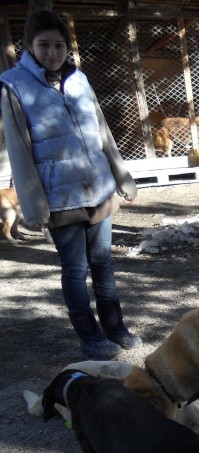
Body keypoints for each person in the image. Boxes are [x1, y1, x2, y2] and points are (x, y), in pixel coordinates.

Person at [0, 10, 140, 360]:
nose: (53, 52)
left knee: (104, 263)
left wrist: (122, 177)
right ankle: (90, 336)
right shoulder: (13, 85)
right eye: (44, 45)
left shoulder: (79, 79)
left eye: (59, 45)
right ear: (29, 47)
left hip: (99, 190)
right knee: (75, 270)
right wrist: (34, 204)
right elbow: (18, 149)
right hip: (60, 198)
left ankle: (115, 326)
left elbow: (103, 132)